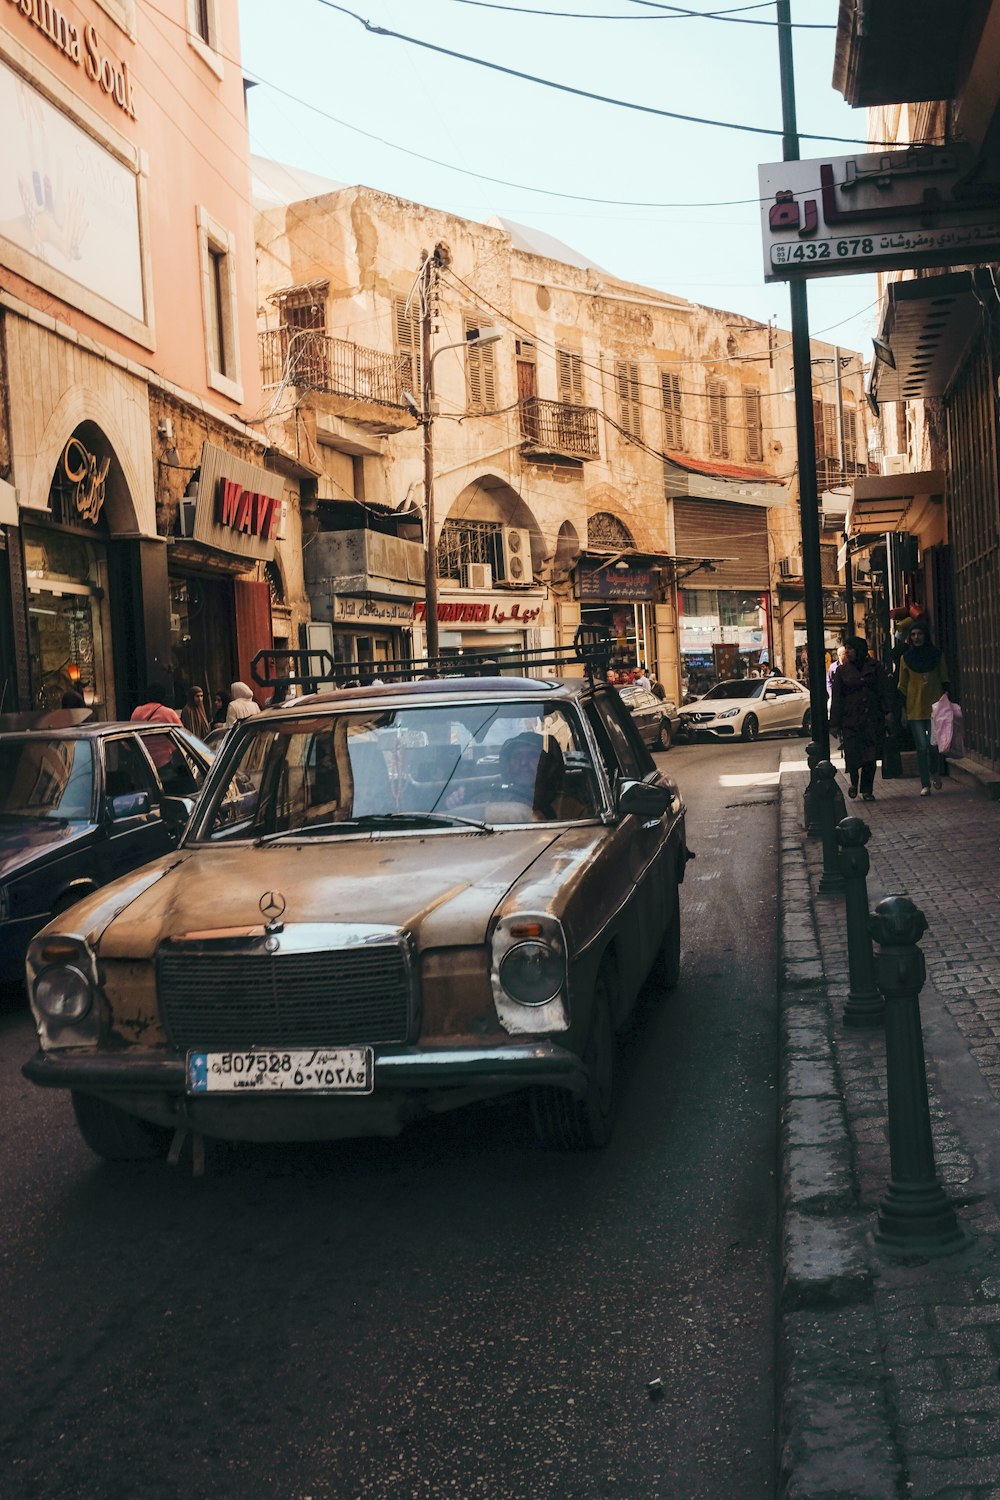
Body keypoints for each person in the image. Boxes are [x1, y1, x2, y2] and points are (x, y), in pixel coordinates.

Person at [829, 637, 894, 803]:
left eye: (850, 649)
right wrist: (834, 723)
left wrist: (887, 711)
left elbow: (884, 691)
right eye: (846, 649)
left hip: (871, 718)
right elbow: (837, 698)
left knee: (870, 756)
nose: (848, 652)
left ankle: (867, 789)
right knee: (851, 752)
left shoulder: (875, 667)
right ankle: (854, 783)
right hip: (850, 719)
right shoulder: (842, 671)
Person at [897, 622, 949, 797]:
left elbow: (944, 679)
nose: (916, 638)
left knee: (934, 746)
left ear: (926, 636)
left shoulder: (936, 655)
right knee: (922, 747)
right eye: (913, 635)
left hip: (935, 708)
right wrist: (903, 711)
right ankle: (925, 783)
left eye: (920, 634)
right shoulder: (906, 658)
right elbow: (902, 686)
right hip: (915, 708)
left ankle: (934, 772)